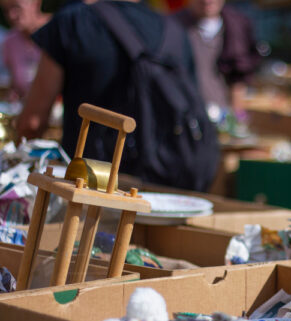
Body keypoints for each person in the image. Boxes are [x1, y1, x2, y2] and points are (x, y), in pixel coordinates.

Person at [15, 0, 219, 191]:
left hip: (92, 188)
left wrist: (16, 168)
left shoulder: (72, 23)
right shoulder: (175, 31)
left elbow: (32, 123)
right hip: (162, 190)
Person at [172, 0, 261, 117]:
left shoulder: (236, 25)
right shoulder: (173, 27)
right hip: (186, 116)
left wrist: (237, 117)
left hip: (224, 115)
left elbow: (239, 76)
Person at [1, 0, 48, 100]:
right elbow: (15, 86)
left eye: (16, 8)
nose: (11, 15)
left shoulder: (59, 32)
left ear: (36, 3)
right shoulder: (10, 42)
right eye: (6, 11)